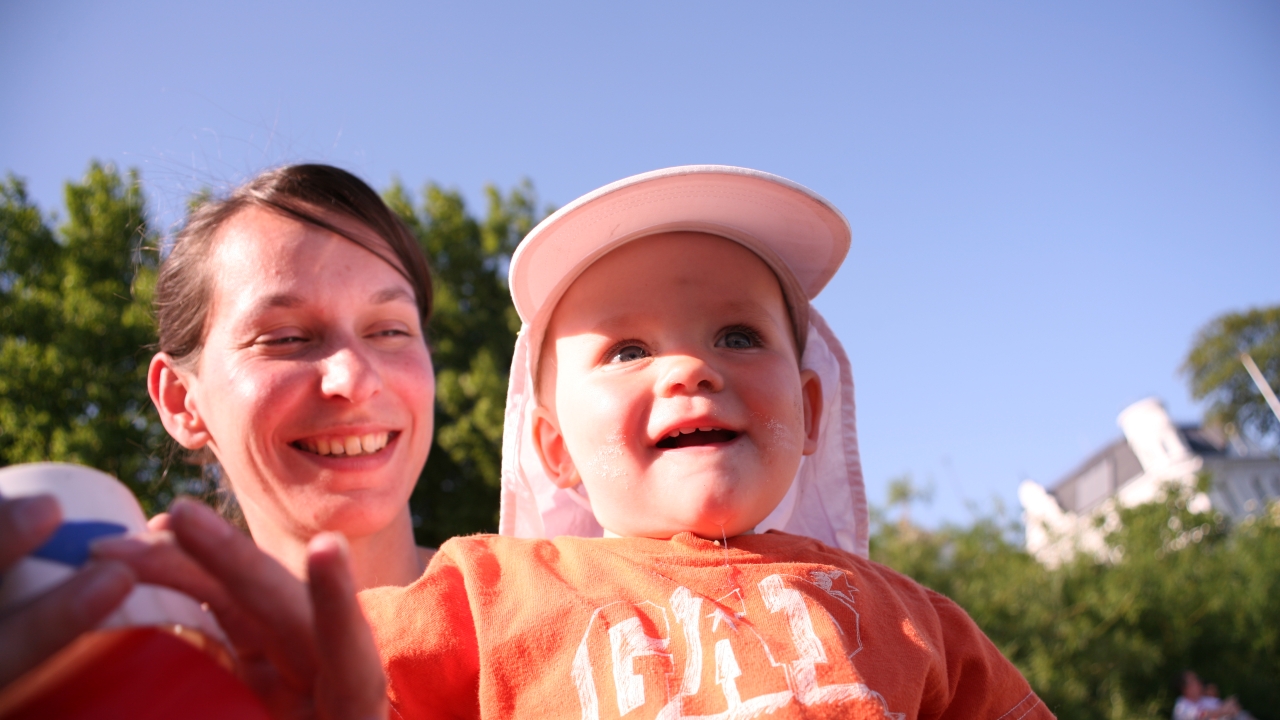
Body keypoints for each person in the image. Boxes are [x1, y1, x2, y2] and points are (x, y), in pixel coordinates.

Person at [104, 165, 1054, 719]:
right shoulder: (485, 603)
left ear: (809, 408)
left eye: (390, 328)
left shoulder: (911, 619)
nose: (691, 369)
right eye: (285, 337)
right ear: (550, 444)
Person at [146, 164, 437, 590]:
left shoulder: (542, 609)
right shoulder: (144, 633)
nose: (354, 380)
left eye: (390, 331)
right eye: (286, 338)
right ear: (181, 401)